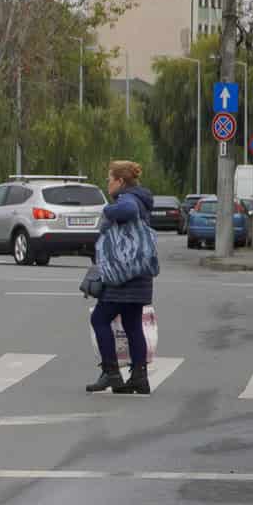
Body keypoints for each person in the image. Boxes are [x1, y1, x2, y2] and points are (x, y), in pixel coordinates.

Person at [84, 160, 159, 395]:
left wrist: (106, 210)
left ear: (120, 181)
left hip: (122, 276)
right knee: (132, 325)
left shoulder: (127, 200)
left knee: (99, 319)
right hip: (140, 275)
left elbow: (128, 211)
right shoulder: (141, 198)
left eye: (109, 179)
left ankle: (111, 373)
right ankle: (139, 376)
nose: (107, 184)